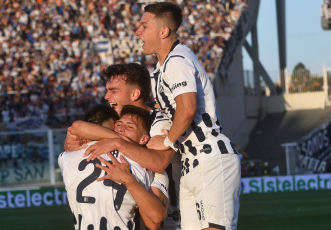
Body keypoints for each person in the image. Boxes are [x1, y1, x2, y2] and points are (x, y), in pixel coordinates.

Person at [134, 2, 241, 230]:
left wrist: (167, 141)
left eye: (144, 26)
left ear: (163, 31)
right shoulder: (162, 69)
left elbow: (188, 108)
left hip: (210, 157)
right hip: (190, 163)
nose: (137, 31)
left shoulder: (177, 61)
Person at [64, 63, 181, 229]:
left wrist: (118, 142)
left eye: (113, 91)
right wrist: (73, 139)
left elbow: (159, 163)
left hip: (167, 218)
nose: (106, 96)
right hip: (132, 215)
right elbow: (76, 129)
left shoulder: (159, 122)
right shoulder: (118, 122)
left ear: (134, 94)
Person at [59, 104, 169, 230]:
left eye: (130, 126)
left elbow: (77, 128)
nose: (121, 128)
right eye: (118, 125)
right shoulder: (142, 166)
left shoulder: (66, 158)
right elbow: (154, 222)